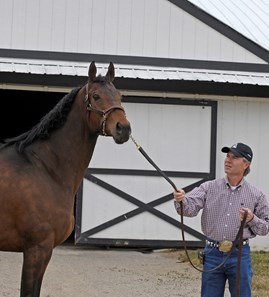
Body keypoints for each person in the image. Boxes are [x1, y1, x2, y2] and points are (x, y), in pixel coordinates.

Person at [173, 142, 269, 297]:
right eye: (227, 156)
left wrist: (252, 219)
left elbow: (265, 228)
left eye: (234, 157)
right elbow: (189, 209)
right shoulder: (209, 187)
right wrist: (180, 199)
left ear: (246, 164)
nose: (227, 160)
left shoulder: (256, 195)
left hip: (239, 254)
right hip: (212, 253)